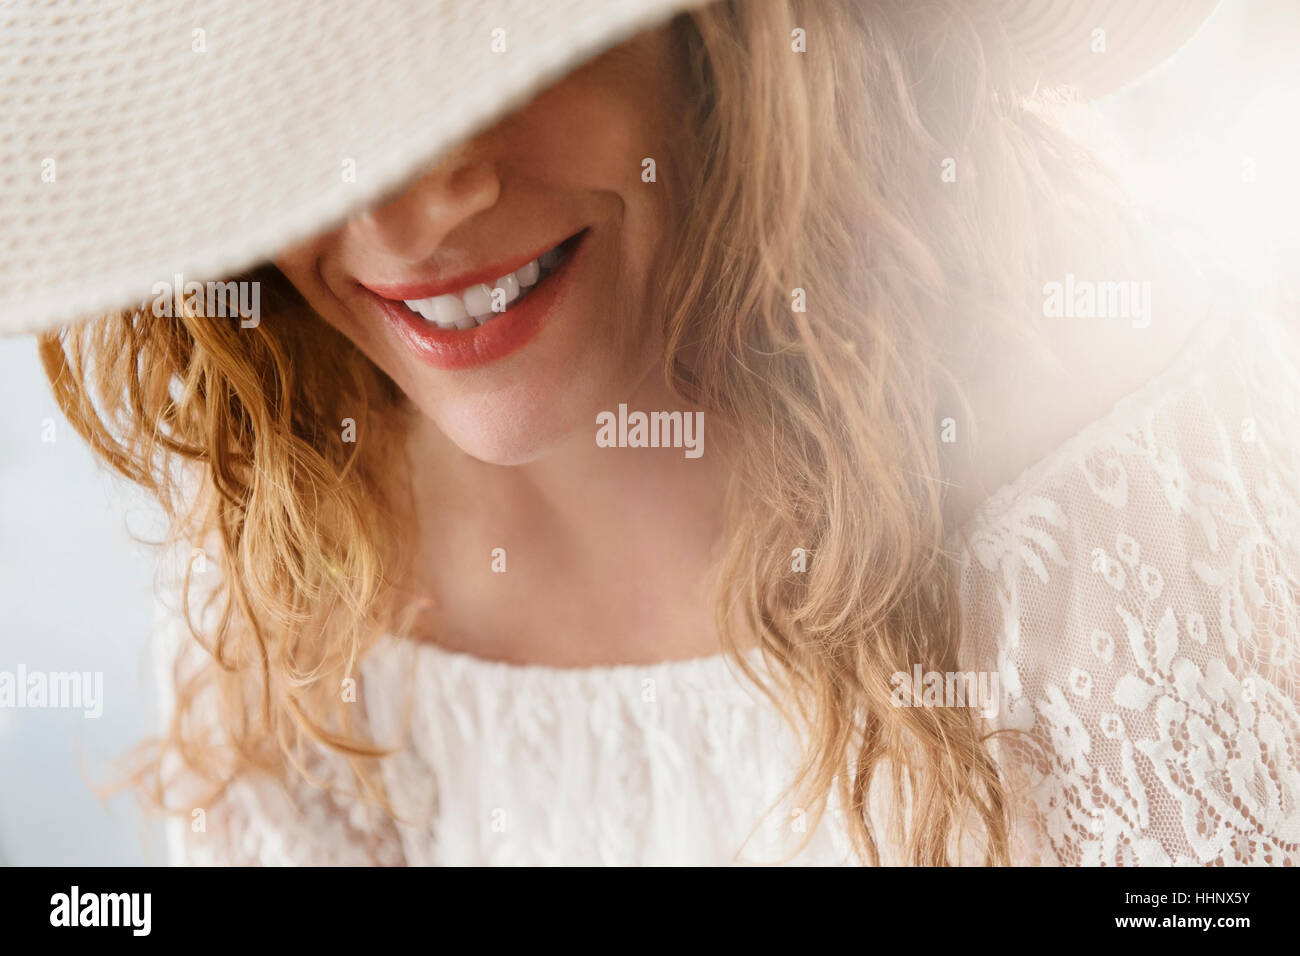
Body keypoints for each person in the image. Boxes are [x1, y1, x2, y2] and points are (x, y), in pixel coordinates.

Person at [9, 0, 1298, 865]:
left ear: (725, 37)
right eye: (293, 101)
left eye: (497, 42)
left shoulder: (1118, 531)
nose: (408, 213)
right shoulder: (302, 565)